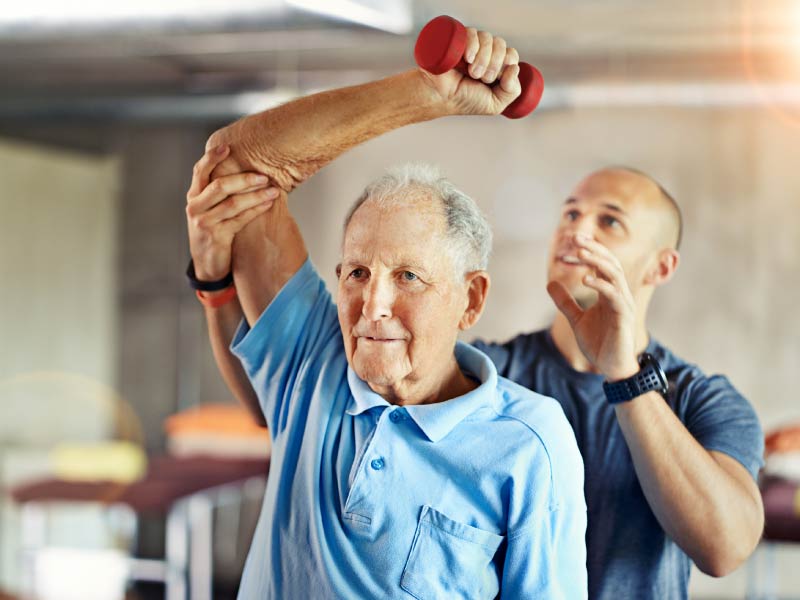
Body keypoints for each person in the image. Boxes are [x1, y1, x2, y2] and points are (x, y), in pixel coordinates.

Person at [184, 27, 587, 599]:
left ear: (470, 299)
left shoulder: (528, 442)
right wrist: (430, 94)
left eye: (408, 277)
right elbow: (237, 164)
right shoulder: (317, 365)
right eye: (357, 273)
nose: (372, 306)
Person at [473, 167, 765, 599]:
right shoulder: (487, 373)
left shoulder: (705, 399)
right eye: (570, 214)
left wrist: (624, 374)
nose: (576, 231)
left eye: (609, 221)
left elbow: (725, 549)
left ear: (661, 266)